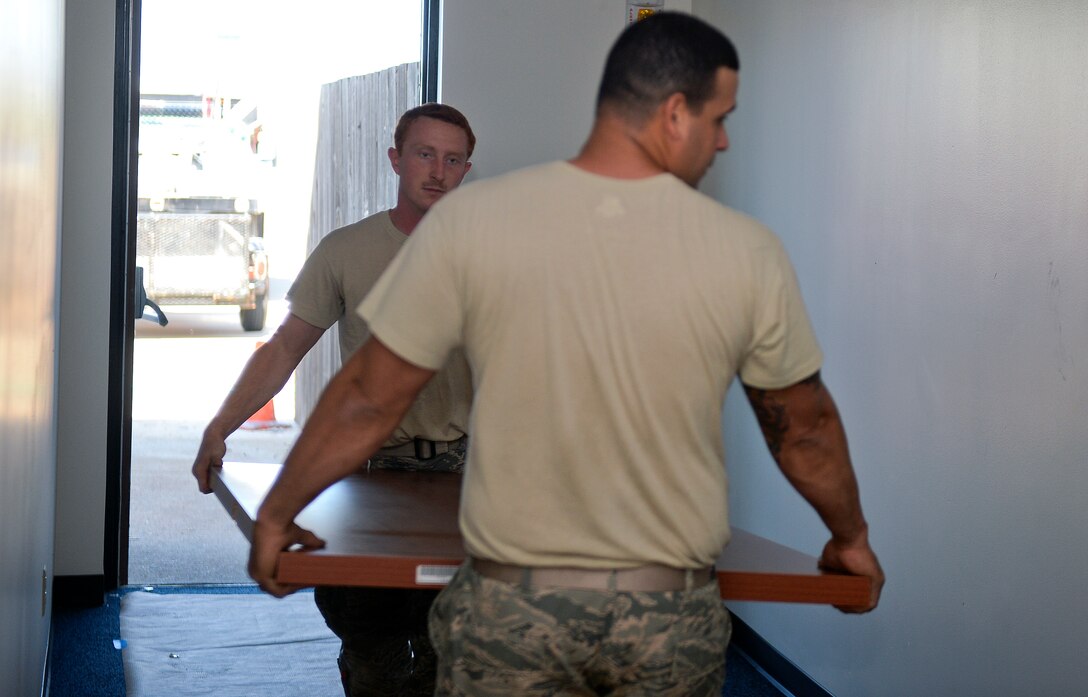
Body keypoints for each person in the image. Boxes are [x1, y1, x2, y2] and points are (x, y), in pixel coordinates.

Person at [248, 12, 885, 697]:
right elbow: (804, 426)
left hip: (512, 609)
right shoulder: (745, 248)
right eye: (719, 118)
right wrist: (849, 538)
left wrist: (280, 511)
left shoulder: (474, 224)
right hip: (665, 614)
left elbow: (372, 394)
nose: (724, 140)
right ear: (674, 113)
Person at [191, 103, 477, 697]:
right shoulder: (347, 250)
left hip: (467, 471)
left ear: (466, 170)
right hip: (372, 472)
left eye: (453, 160)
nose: (438, 171)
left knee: (452, 651)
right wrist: (221, 424)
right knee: (370, 644)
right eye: (425, 154)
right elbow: (284, 346)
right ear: (396, 160)